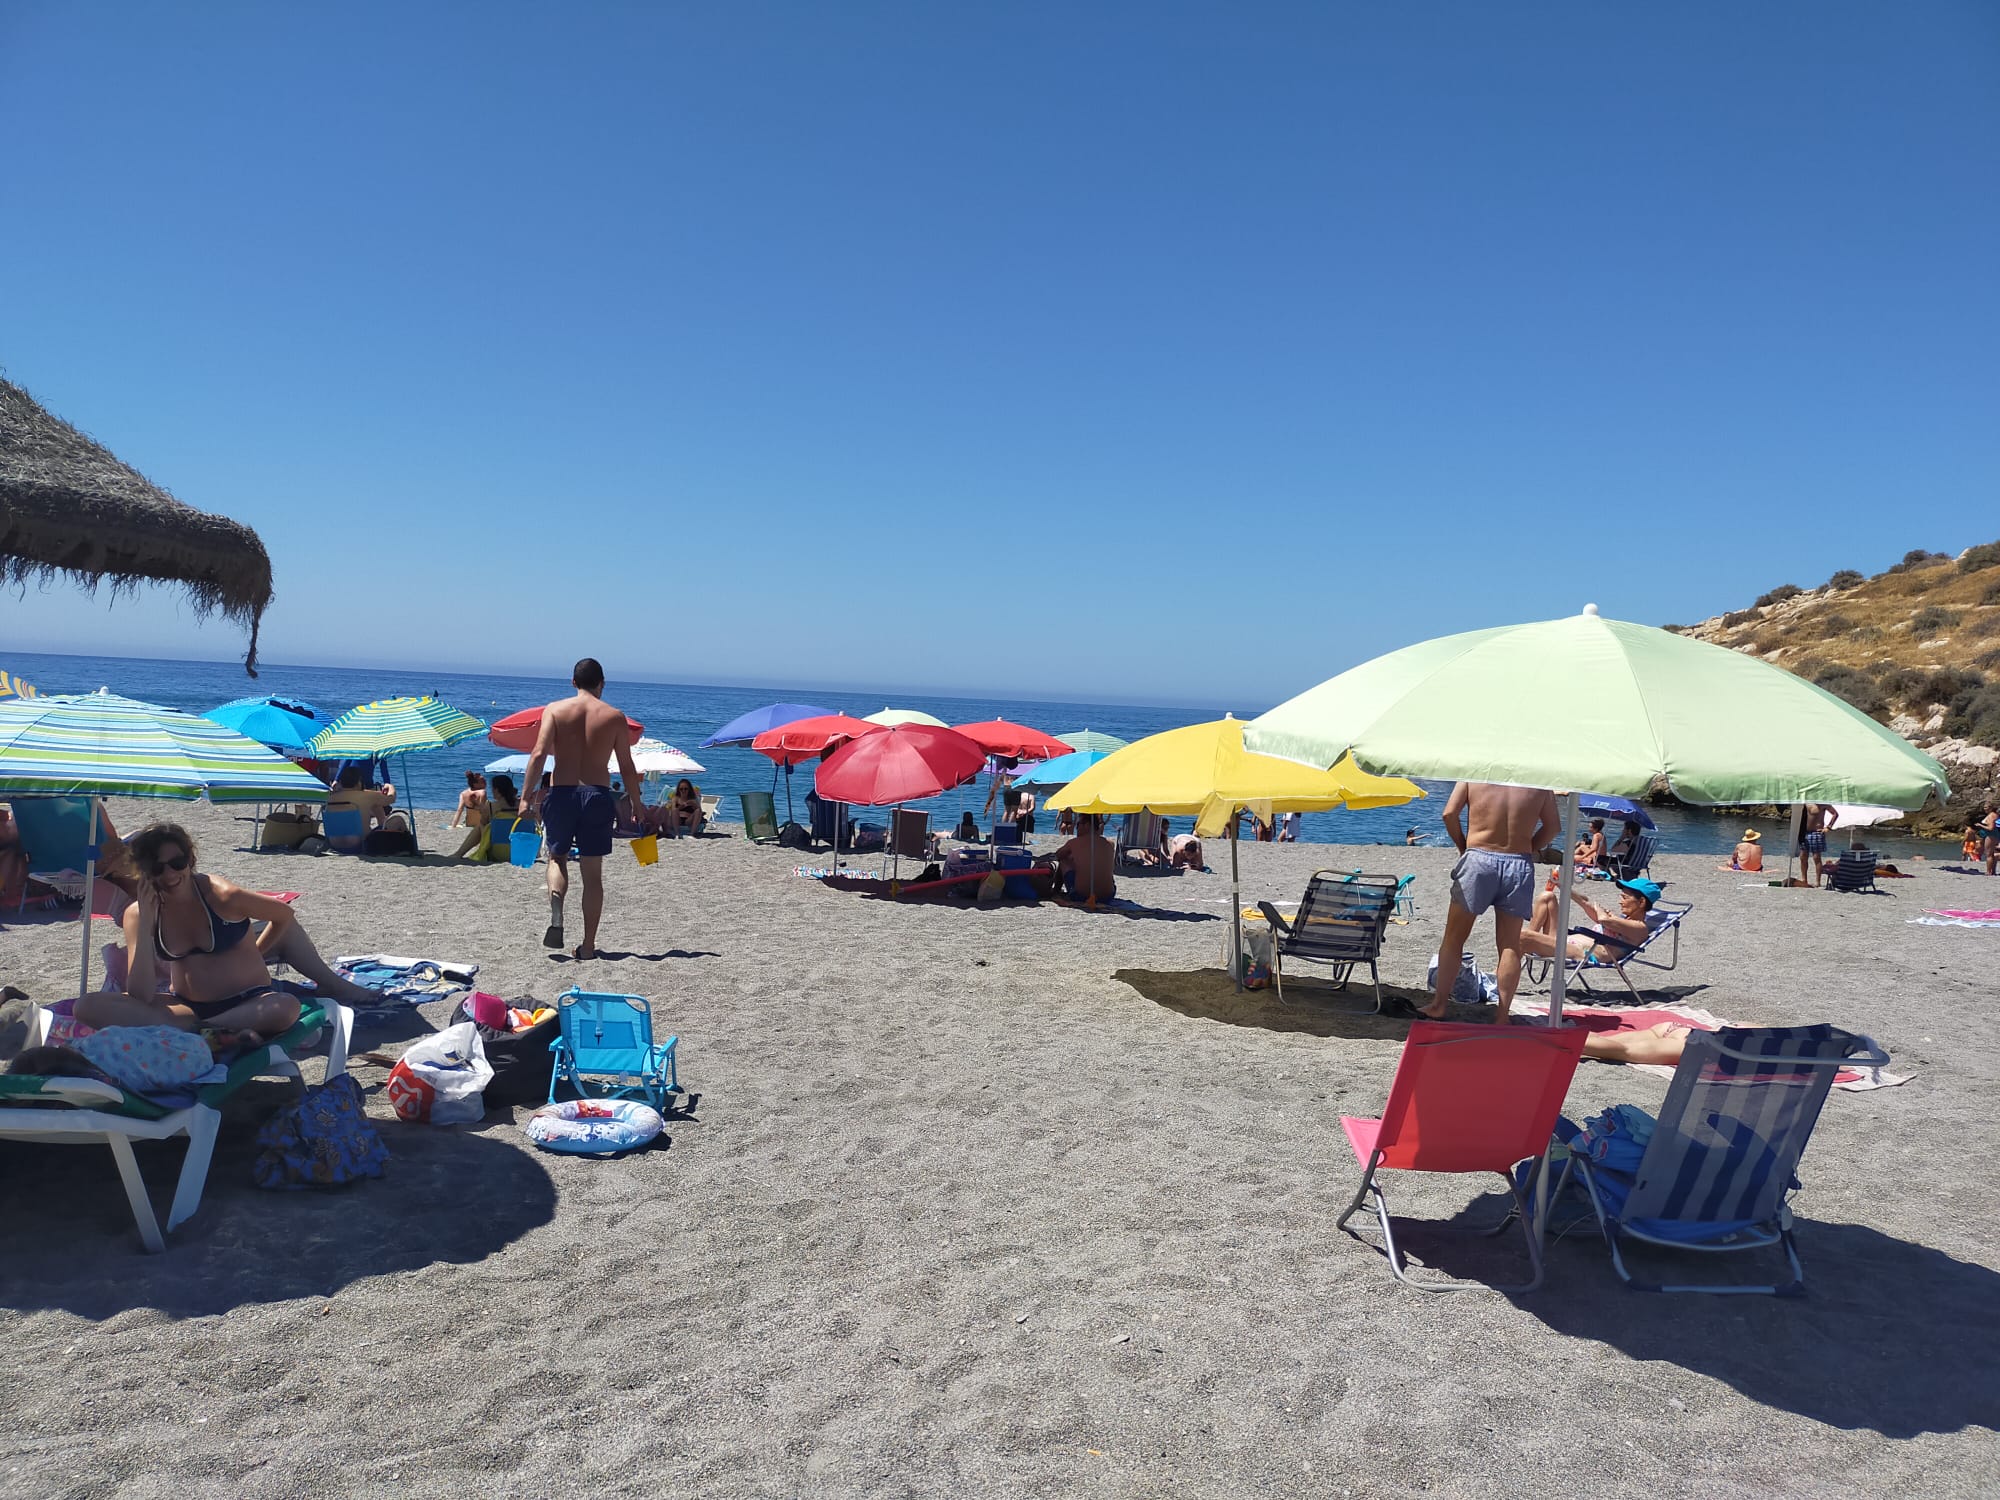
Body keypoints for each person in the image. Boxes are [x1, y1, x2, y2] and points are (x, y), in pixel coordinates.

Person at [75, 822, 376, 1039]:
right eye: (157, 868)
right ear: (143, 871)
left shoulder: (221, 895)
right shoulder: (138, 913)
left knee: (285, 1006)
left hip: (249, 1001)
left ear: (189, 860)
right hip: (187, 1008)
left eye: (176, 863)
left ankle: (205, 1031)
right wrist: (143, 926)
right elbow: (141, 994)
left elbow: (284, 915)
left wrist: (256, 953)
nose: (169, 874)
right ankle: (209, 1032)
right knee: (86, 1006)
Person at [522, 658, 647, 961]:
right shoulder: (615, 717)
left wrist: (525, 798)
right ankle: (588, 946)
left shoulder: (554, 709)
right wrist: (637, 802)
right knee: (593, 876)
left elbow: (539, 754)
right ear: (602, 683)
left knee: (557, 857)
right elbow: (627, 766)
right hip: (597, 795)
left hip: (562, 792)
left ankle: (556, 901)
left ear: (573, 683)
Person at [1421, 782, 1560, 1021]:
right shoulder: (1538, 783)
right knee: (1509, 945)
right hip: (1518, 862)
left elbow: (1449, 813)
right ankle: (1502, 1015)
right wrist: (1529, 848)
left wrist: (1462, 846)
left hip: (1479, 857)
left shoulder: (1475, 775)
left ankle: (1439, 1005)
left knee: (1454, 939)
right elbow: (1553, 827)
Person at [1518, 876, 1659, 966]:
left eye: (1625, 898)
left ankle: (1499, 973)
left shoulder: (1639, 928)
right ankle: (1525, 947)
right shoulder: (1619, 921)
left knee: (1522, 936)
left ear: (1641, 902)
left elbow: (1602, 918)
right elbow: (1586, 904)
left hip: (1581, 954)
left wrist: (1602, 911)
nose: (1620, 902)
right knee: (1547, 897)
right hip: (1562, 943)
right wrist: (1561, 885)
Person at [1046, 814, 1116, 903]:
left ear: (1087, 825)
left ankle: (1056, 891)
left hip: (1082, 896)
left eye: (1078, 825)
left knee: (1064, 860)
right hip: (1108, 896)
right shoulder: (1109, 843)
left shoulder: (1074, 843)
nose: (1076, 828)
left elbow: (1058, 855)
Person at [448, 771, 492, 859]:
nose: (485, 783)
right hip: (480, 821)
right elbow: (482, 810)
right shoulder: (482, 792)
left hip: (469, 821)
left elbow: (459, 810)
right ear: (475, 784)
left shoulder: (463, 793)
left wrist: (454, 825)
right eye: (483, 781)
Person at [1796, 803, 1837, 887]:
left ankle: (1818, 881)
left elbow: (1835, 814)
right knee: (1803, 857)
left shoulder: (1822, 804)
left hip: (1816, 832)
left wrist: (1828, 827)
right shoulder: (1805, 803)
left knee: (1816, 857)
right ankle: (1804, 879)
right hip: (1804, 832)